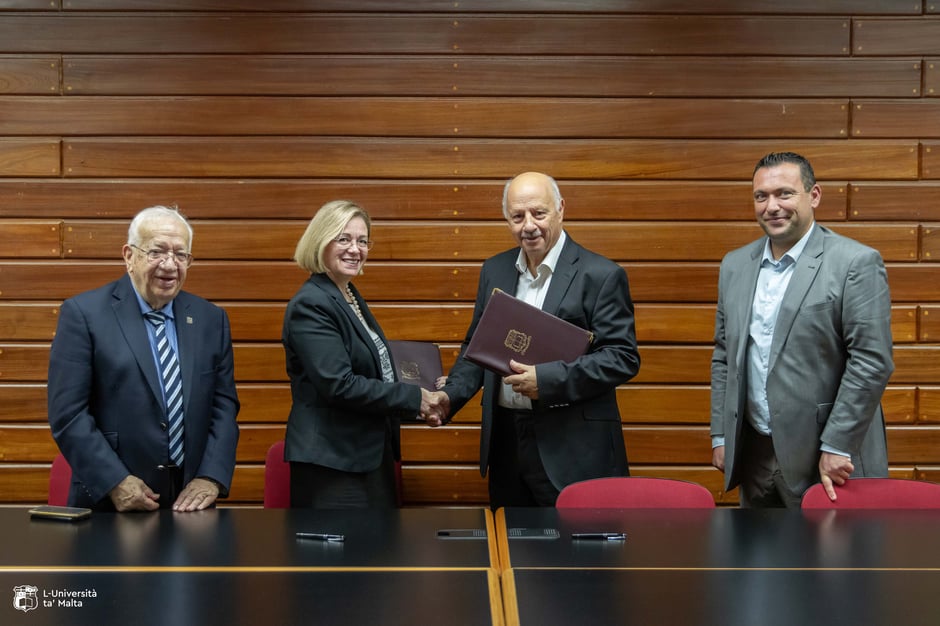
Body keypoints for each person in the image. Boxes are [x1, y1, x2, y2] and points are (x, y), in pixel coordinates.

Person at [438, 172, 641, 509]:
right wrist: (449, 396)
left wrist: (545, 381)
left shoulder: (601, 275)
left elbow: (622, 357)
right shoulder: (494, 270)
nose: (528, 226)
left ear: (561, 209)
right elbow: (476, 347)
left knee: (579, 559)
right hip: (506, 445)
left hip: (572, 449)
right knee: (511, 551)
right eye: (517, 217)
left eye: (539, 213)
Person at [710, 152, 894, 508]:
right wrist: (721, 434)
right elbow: (724, 355)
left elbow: (872, 361)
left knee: (832, 563)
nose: (772, 206)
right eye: (761, 196)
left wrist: (838, 443)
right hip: (754, 456)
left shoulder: (855, 262)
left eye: (785, 193)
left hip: (828, 459)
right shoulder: (734, 265)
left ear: (814, 196)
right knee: (758, 563)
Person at [48, 206, 240, 512]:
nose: (170, 264)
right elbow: (68, 415)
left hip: (190, 505)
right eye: (157, 251)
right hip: (110, 503)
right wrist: (115, 481)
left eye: (181, 255)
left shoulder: (210, 319)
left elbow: (223, 405)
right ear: (129, 256)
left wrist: (210, 477)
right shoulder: (84, 315)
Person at [282, 200, 446, 508]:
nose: (355, 249)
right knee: (349, 556)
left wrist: (425, 395)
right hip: (334, 464)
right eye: (343, 239)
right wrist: (416, 398)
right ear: (320, 241)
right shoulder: (312, 304)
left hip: (365, 456)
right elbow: (339, 384)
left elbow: (378, 371)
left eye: (362, 241)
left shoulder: (347, 294)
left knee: (376, 553)